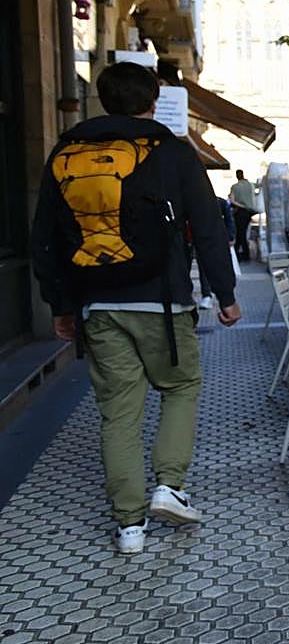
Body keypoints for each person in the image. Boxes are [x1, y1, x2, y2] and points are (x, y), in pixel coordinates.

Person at [30, 61, 241, 554]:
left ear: (103, 100)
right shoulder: (171, 151)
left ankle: (129, 526)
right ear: (153, 101)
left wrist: (61, 304)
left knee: (118, 414)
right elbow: (207, 227)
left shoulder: (66, 150)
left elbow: (45, 237)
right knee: (180, 386)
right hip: (163, 302)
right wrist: (225, 294)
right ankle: (169, 486)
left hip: (97, 302)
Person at [196, 197, 236, 310]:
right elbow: (229, 220)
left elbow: (229, 220)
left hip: (209, 239)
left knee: (206, 266)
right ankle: (213, 295)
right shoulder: (221, 203)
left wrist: (230, 236)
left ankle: (209, 295)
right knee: (210, 266)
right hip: (212, 239)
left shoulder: (219, 203)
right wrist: (230, 236)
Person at [228, 169, 256, 260]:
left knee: (240, 233)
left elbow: (232, 200)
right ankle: (242, 253)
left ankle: (242, 253)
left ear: (237, 176)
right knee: (242, 232)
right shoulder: (250, 185)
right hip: (250, 212)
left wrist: (241, 205)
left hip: (240, 211)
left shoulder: (235, 187)